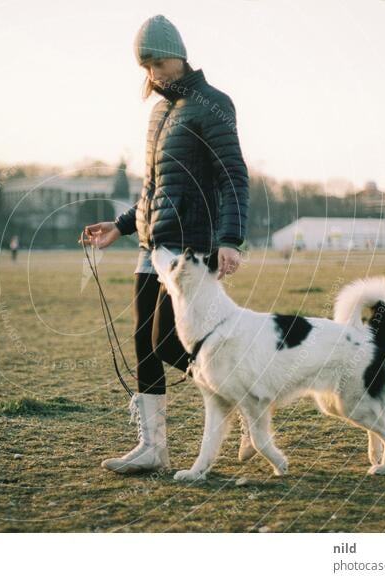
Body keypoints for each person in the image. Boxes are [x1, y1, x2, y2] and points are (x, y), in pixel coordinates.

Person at [79, 14, 249, 474]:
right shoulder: (159, 113)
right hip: (150, 248)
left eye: (157, 61)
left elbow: (233, 176)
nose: (153, 73)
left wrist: (230, 239)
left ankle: (246, 403)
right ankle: (153, 448)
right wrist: (119, 226)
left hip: (191, 248)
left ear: (179, 53)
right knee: (144, 346)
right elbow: (152, 188)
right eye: (145, 66)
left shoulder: (213, 104)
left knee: (169, 344)